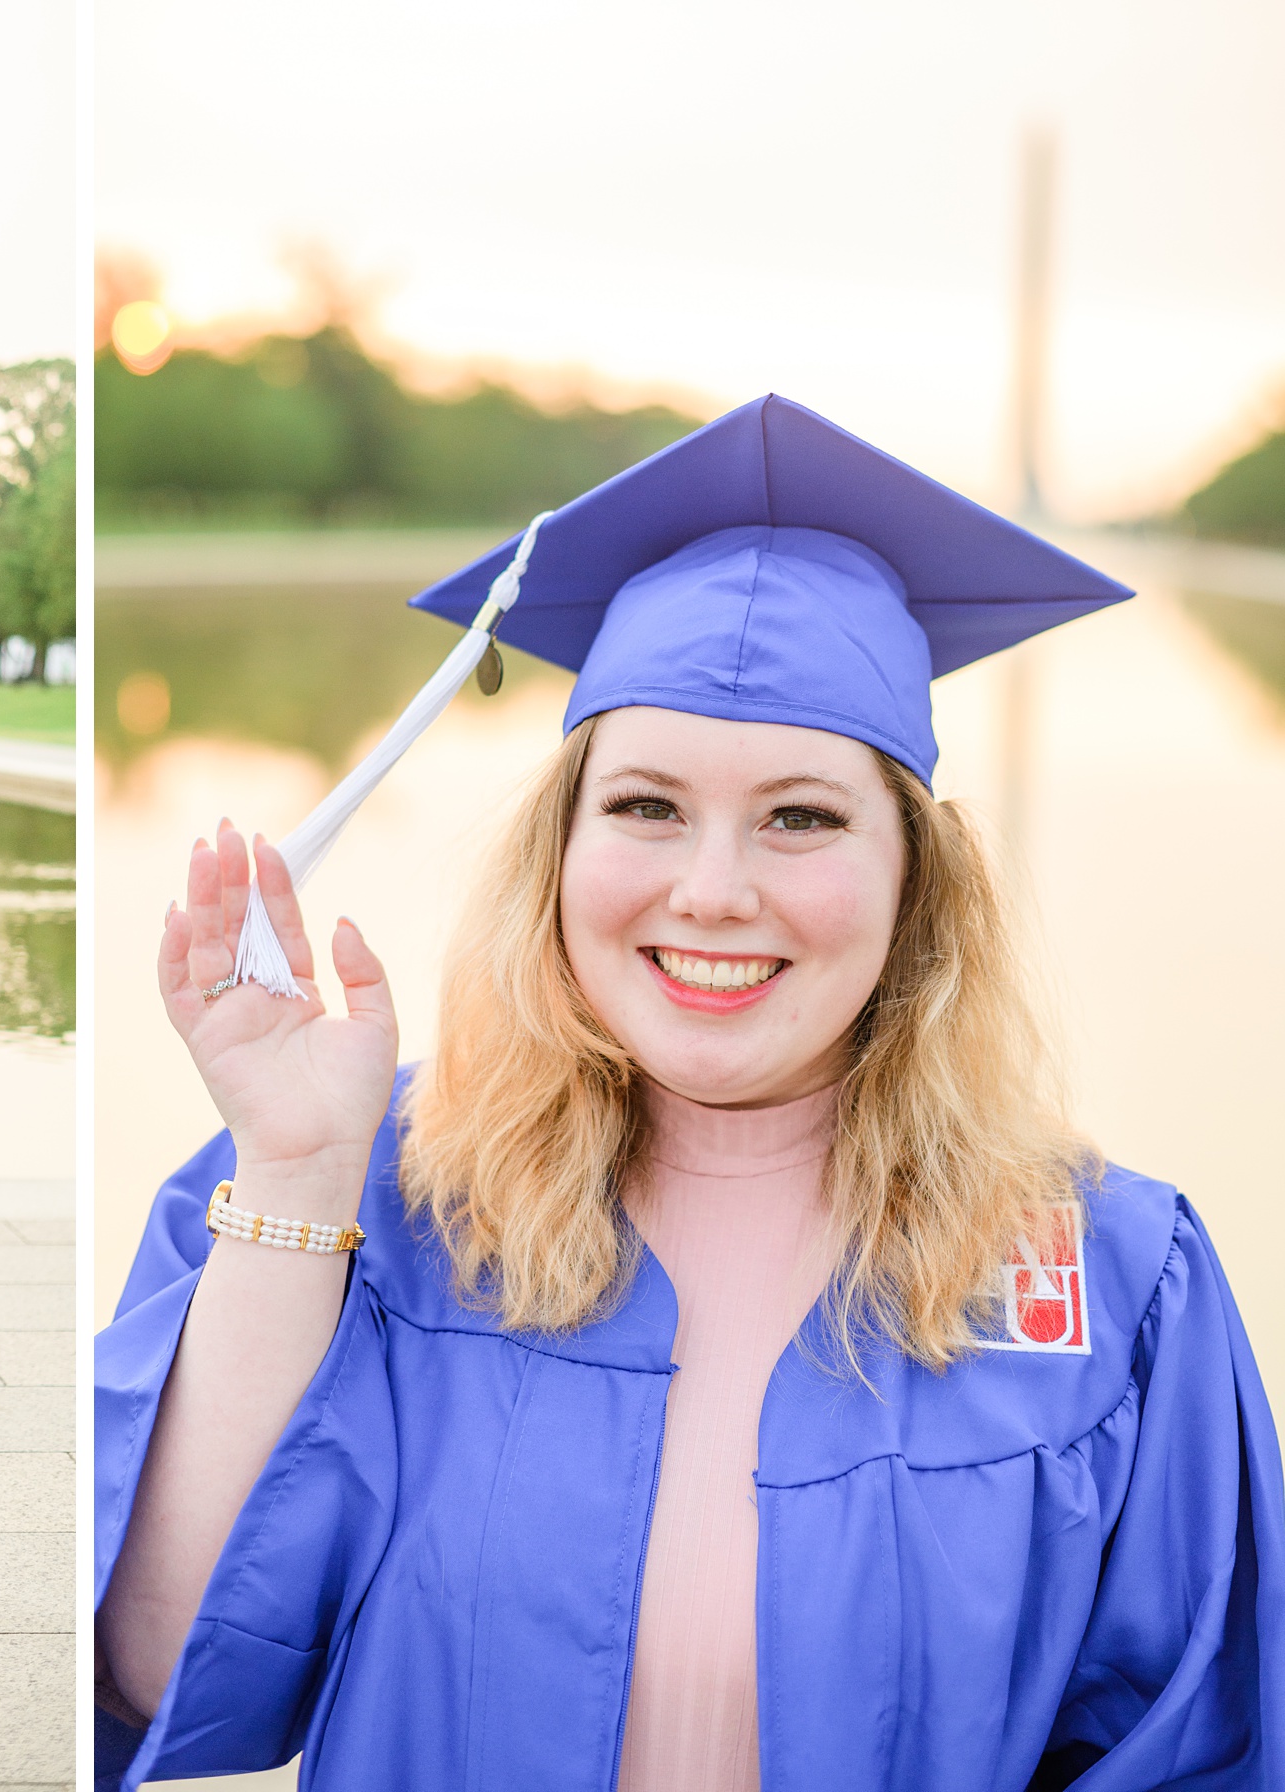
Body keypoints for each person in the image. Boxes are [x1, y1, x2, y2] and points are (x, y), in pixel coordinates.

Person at [94, 397, 1285, 1791]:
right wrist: (294, 1172)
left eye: (802, 815)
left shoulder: (1116, 1287)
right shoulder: (383, 1198)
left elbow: (1205, 1753)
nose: (712, 891)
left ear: (916, 878)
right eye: (647, 806)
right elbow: (163, 1676)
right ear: (559, 849)